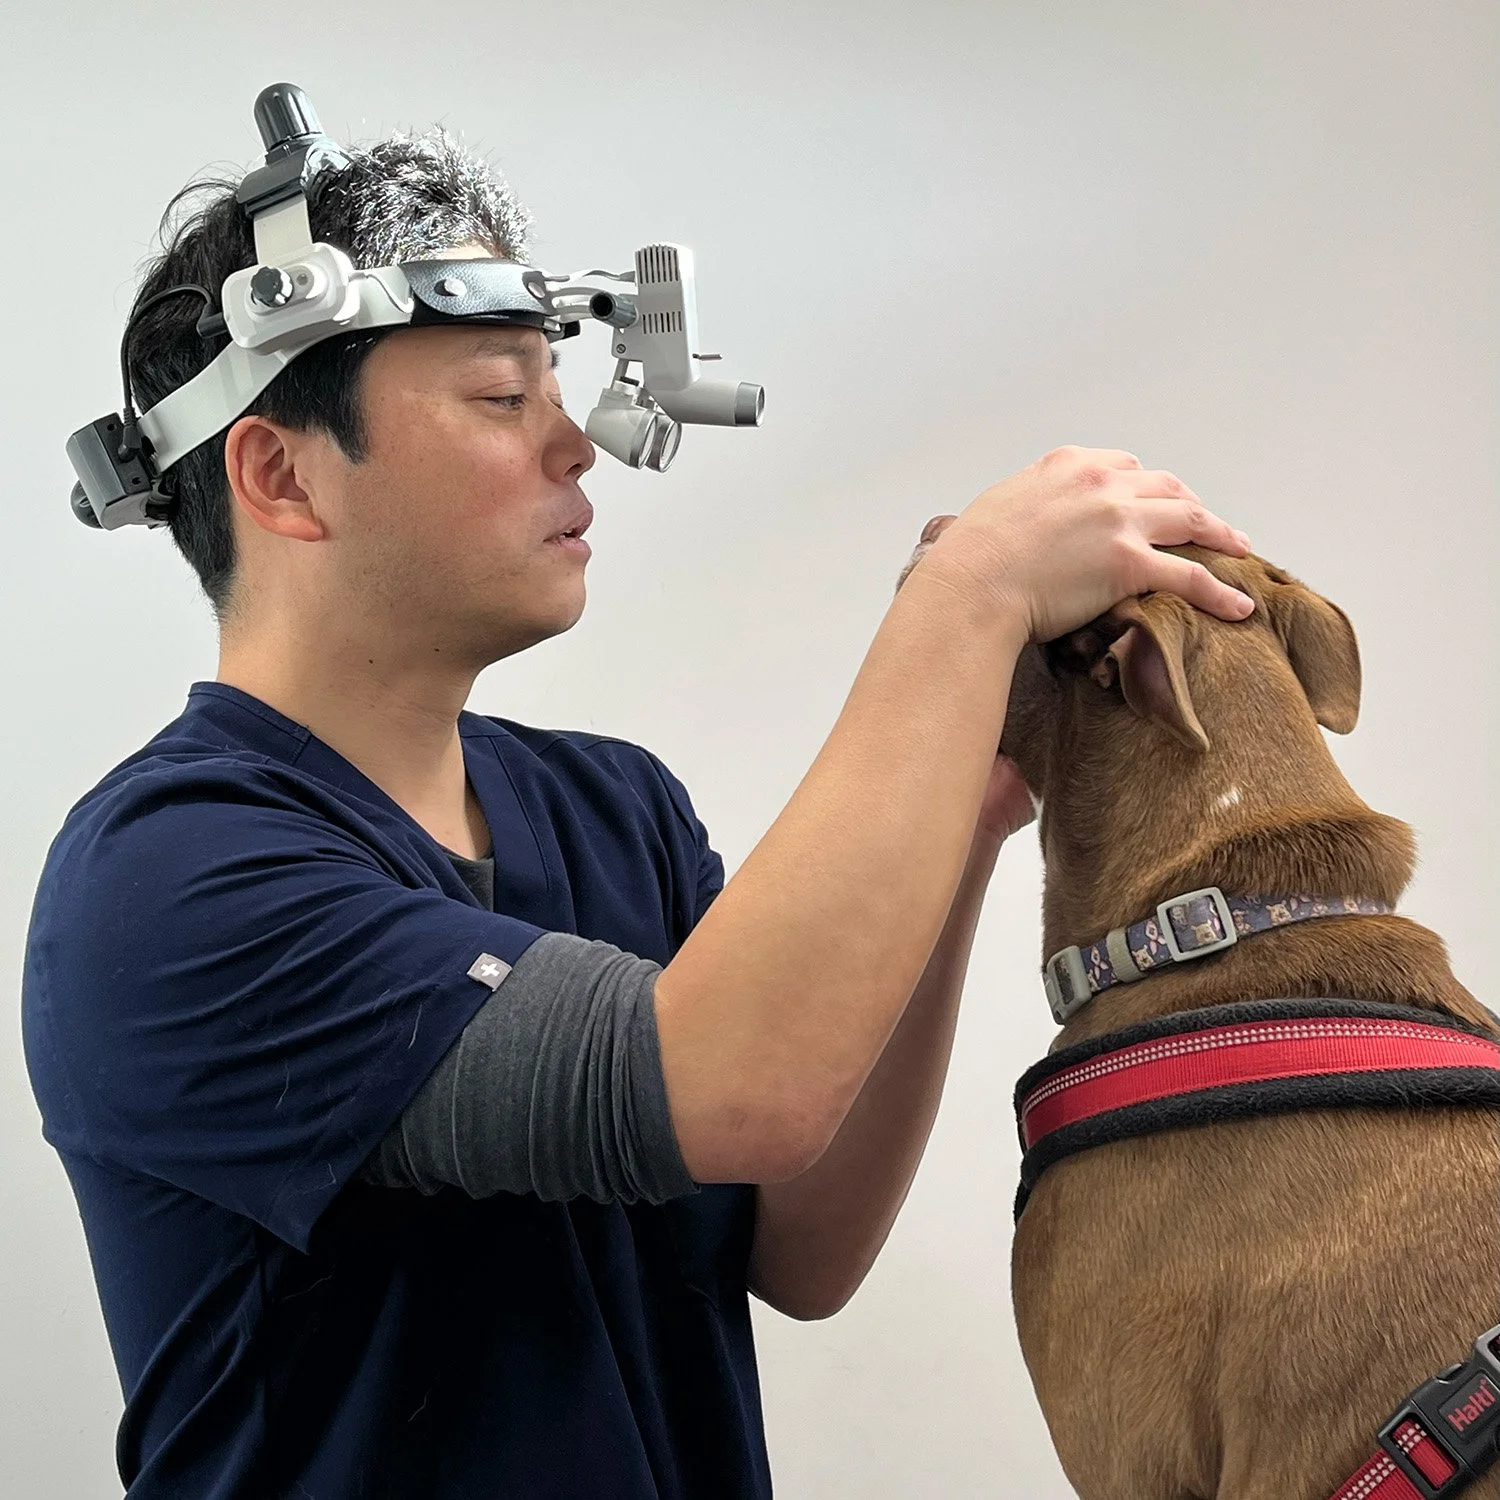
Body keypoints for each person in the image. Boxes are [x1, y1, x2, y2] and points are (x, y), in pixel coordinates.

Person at [21, 125, 1256, 1499]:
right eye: (502, 396)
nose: (574, 446)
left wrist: (965, 810)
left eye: (557, 388)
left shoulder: (612, 807)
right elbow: (733, 1089)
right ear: (281, 476)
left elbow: (801, 1239)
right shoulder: (169, 878)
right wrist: (972, 596)